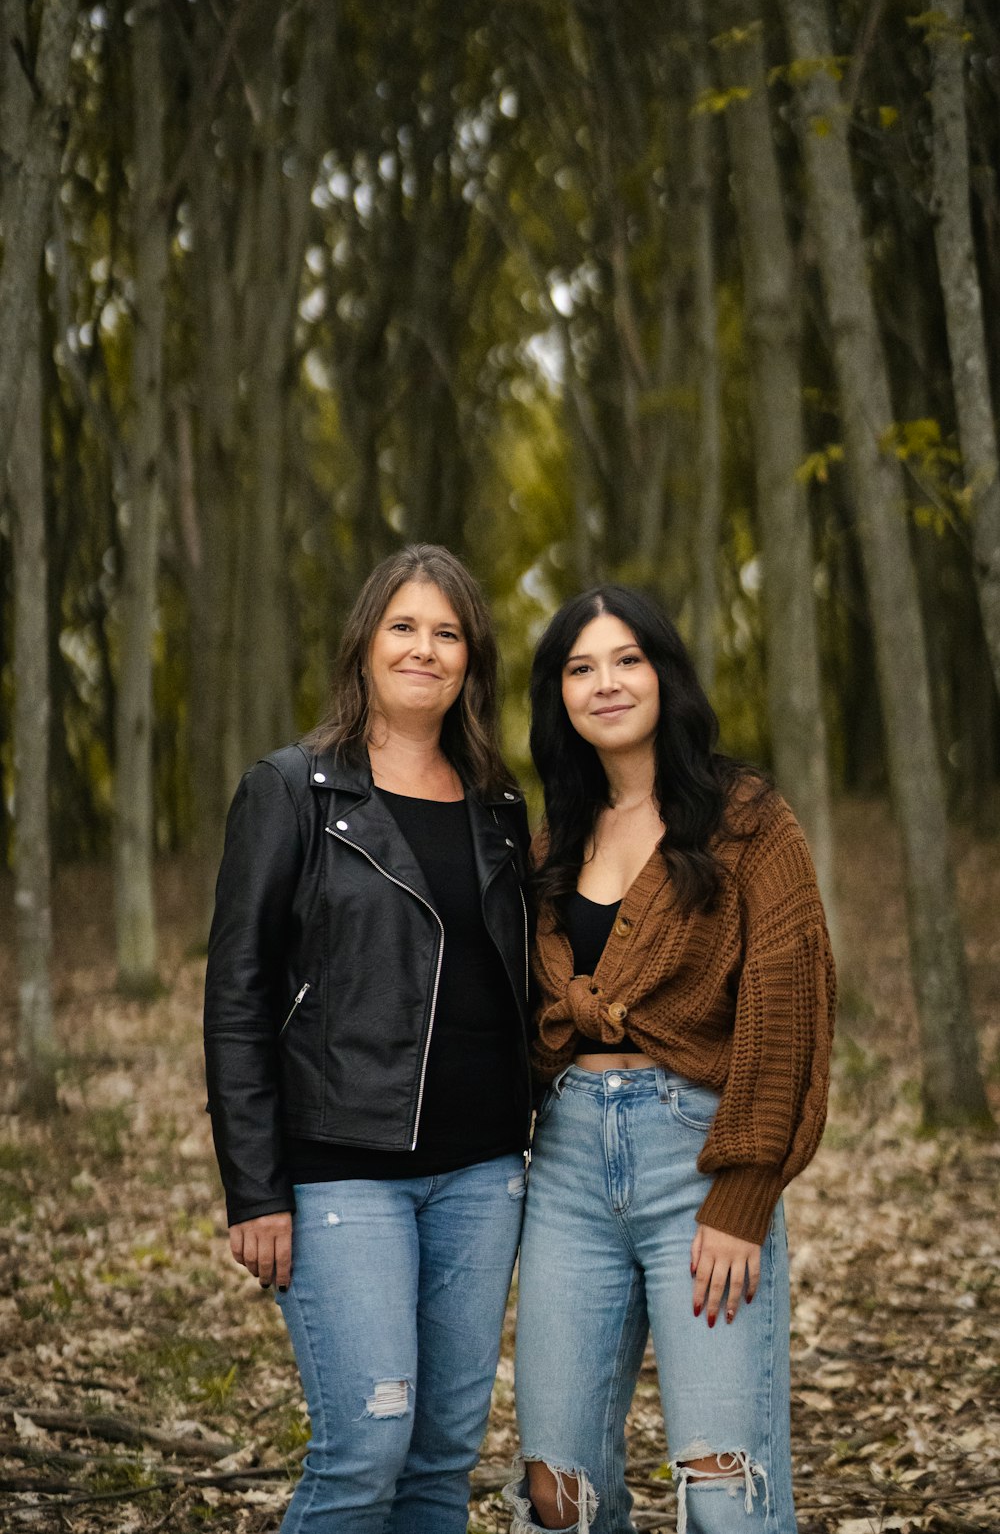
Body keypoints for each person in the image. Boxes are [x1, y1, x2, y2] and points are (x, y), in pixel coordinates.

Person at [204, 543, 533, 1534]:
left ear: (470, 657)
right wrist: (255, 1187)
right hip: (341, 1171)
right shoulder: (293, 789)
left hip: (482, 1174)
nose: (424, 648)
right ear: (364, 643)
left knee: (440, 1460)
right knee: (365, 1450)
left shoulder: (499, 803)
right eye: (404, 626)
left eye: (447, 632)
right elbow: (238, 994)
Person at [505, 585, 835, 1534]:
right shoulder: (551, 840)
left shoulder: (747, 822)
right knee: (556, 1494)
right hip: (566, 1170)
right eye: (580, 667)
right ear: (558, 696)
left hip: (697, 1166)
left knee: (724, 1489)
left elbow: (788, 1015)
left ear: (664, 673)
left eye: (626, 659)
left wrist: (744, 1194)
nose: (605, 683)